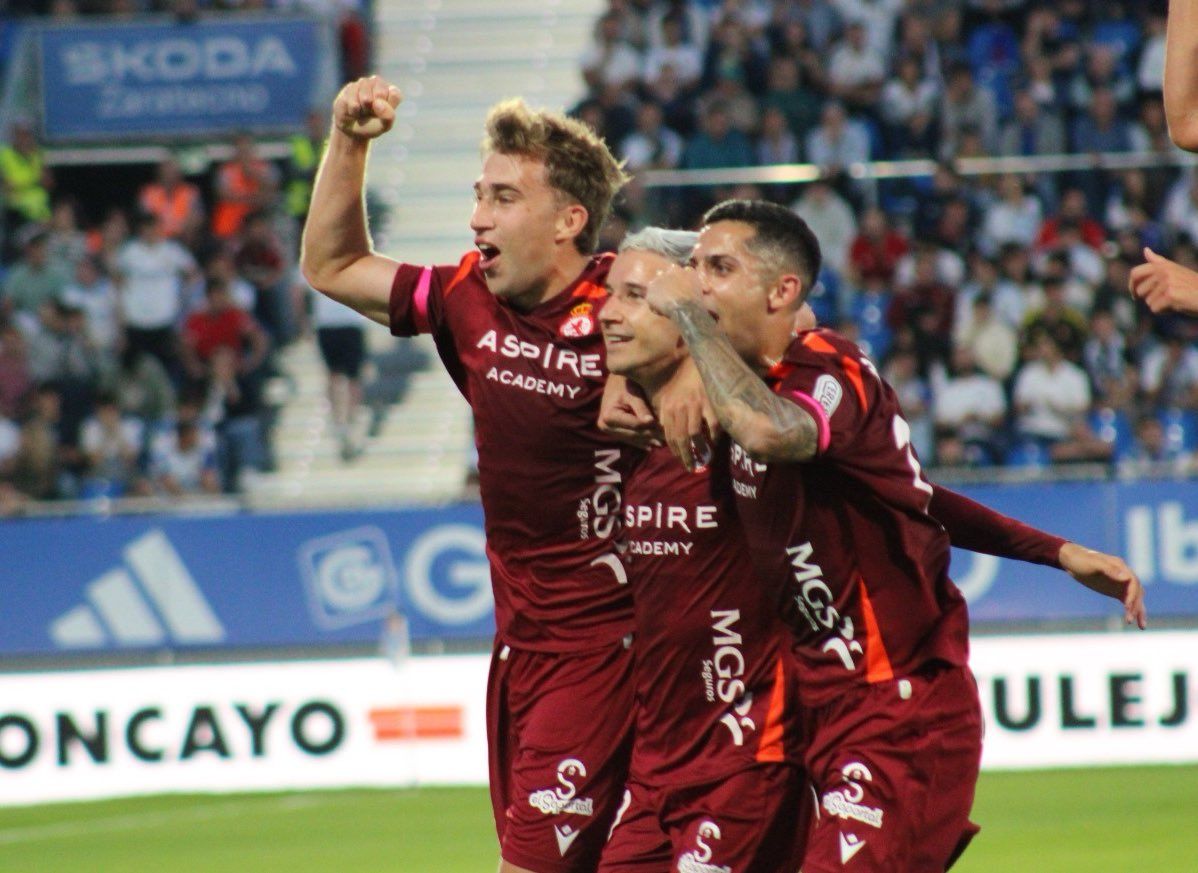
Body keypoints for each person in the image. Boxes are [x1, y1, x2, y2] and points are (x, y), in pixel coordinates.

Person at [643, 199, 1146, 872]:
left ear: (782, 291)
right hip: (811, 712)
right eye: (695, 267)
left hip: (900, 710)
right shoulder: (734, 392)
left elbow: (773, 431)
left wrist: (682, 318)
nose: (697, 282)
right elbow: (917, 493)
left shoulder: (829, 371)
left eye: (720, 267)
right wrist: (1056, 549)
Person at [300, 75, 703, 873]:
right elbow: (332, 264)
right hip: (522, 647)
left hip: (614, 645)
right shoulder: (465, 299)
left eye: (503, 197)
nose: (477, 216)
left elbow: (733, 296)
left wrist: (676, 363)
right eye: (478, 194)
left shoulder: (631, 301)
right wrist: (350, 142)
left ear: (568, 221)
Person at [598, 228, 807, 873]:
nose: (609, 313)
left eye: (638, 297)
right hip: (656, 763)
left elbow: (796, 318)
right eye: (612, 295)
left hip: (745, 753)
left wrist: (697, 354)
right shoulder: (621, 420)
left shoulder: (742, 415)